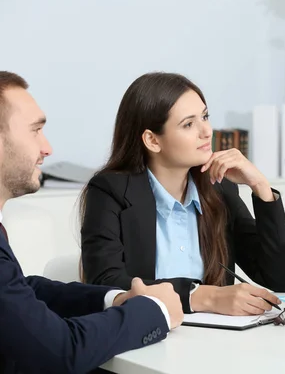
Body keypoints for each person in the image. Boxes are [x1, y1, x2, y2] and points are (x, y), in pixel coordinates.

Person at [0, 71, 184, 374]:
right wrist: (155, 310)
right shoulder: (111, 190)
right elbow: (61, 352)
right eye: (35, 131)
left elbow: (21, 293)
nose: (47, 149)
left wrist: (116, 299)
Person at [80, 72, 285, 316]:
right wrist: (204, 296)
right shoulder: (111, 190)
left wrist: (260, 187)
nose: (206, 131)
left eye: (205, 116)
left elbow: (282, 279)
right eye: (188, 124)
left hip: (216, 341)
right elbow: (105, 282)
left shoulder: (219, 188)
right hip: (146, 339)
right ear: (152, 140)